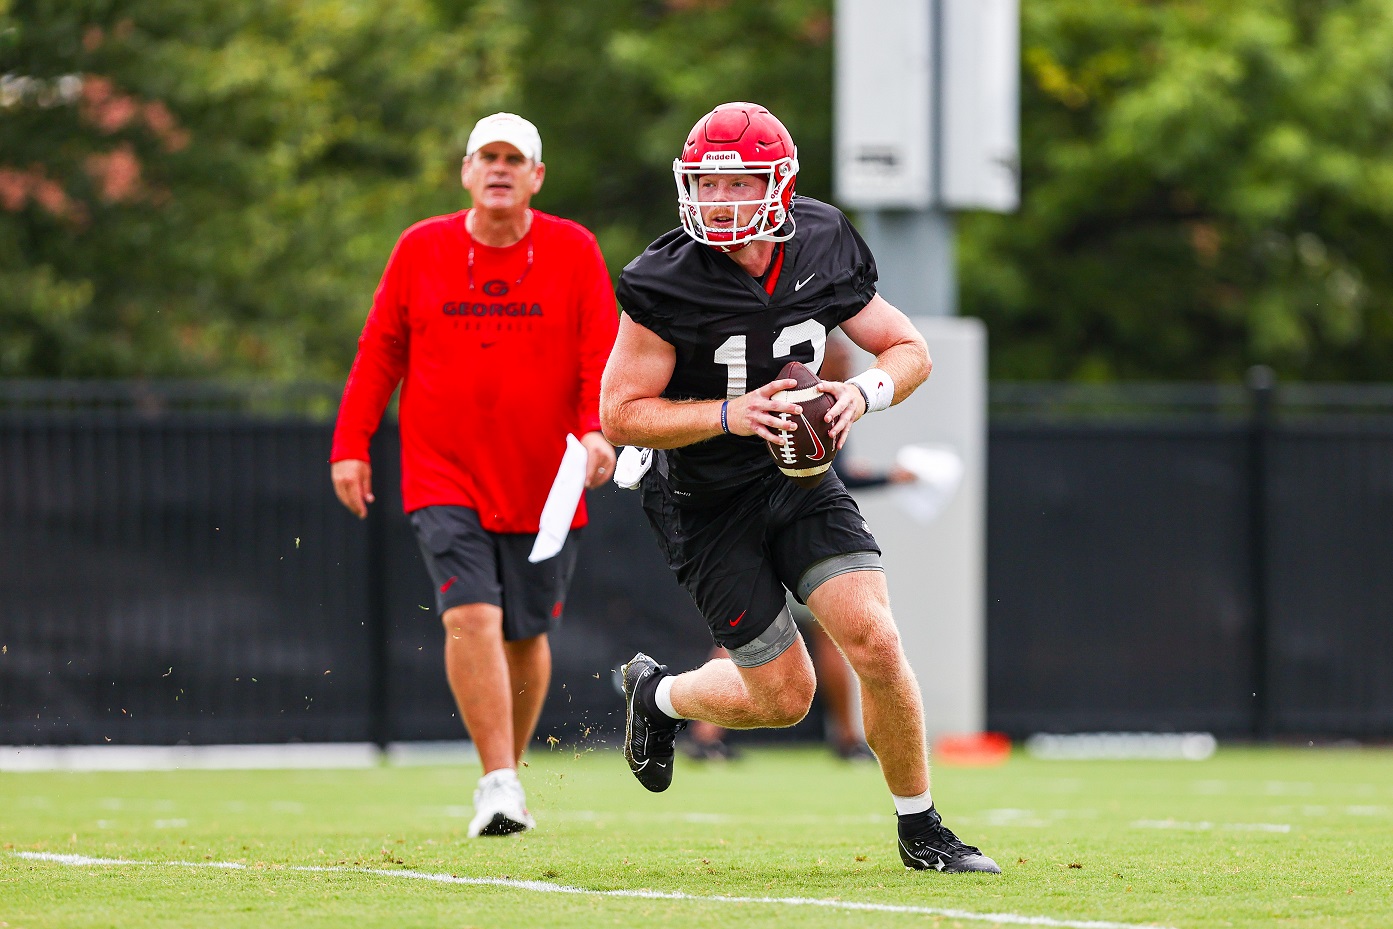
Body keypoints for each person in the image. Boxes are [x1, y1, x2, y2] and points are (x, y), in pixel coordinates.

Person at [600, 102, 999, 873]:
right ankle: (657, 697)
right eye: (706, 187)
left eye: (739, 184)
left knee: (875, 639)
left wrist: (864, 394)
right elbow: (620, 414)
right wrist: (728, 413)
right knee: (784, 697)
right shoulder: (664, 277)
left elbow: (907, 347)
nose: (719, 203)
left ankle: (922, 829)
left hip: (801, 479)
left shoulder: (822, 238)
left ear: (778, 186)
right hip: (704, 501)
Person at [330, 112, 618, 838]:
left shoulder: (573, 248)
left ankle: (507, 778)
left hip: (543, 480)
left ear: (535, 176)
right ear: (465, 171)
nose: (498, 168)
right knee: (471, 616)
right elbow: (379, 350)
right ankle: (496, 780)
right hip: (440, 470)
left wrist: (597, 432)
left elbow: (600, 352)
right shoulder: (420, 247)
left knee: (525, 633)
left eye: (513, 159)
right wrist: (350, 442)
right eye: (486, 156)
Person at [683, 332, 916, 763]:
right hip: (788, 534)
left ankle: (703, 731)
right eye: (840, 354)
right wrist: (889, 478)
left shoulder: (825, 399)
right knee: (778, 646)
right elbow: (818, 466)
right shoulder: (804, 400)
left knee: (772, 641)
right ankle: (844, 737)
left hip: (777, 528)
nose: (847, 360)